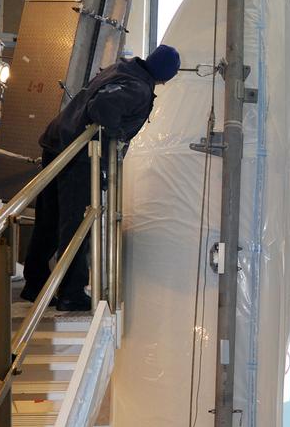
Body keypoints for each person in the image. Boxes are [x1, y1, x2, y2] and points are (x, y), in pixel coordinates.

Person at [22, 44, 180, 311]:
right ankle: (71, 293)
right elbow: (103, 107)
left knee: (50, 219)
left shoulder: (124, 69)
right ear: (165, 76)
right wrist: (117, 137)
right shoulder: (139, 88)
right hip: (80, 156)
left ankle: (35, 284)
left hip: (58, 142)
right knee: (76, 224)